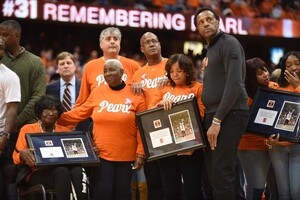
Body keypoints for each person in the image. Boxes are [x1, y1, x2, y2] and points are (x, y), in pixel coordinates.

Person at [57, 59, 146, 200]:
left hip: (126, 155)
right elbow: (80, 112)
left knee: (122, 194)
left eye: (111, 70)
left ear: (122, 73)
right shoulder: (98, 92)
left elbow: (142, 128)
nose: (107, 73)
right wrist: (57, 117)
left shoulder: (135, 94)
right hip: (101, 154)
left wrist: (140, 153)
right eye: (105, 71)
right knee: (101, 192)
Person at [194, 7, 249, 200]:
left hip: (229, 114)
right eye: (201, 22)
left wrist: (217, 120)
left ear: (218, 22)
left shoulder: (229, 43)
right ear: (198, 30)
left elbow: (234, 83)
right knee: (215, 172)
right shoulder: (210, 50)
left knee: (221, 173)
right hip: (214, 114)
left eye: (209, 19)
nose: (205, 23)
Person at [0, 19, 46, 200]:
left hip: (22, 130)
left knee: (12, 176)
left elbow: (38, 97)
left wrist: (14, 124)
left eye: (4, 35)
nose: (0, 39)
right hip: (4, 128)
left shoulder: (35, 62)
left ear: (16, 36)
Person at [148, 53, 205, 200]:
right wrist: (159, 106)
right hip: (168, 147)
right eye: (171, 71)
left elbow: (202, 115)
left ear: (187, 71)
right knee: (170, 191)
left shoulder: (198, 88)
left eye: (178, 71)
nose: (175, 75)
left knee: (193, 190)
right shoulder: (163, 89)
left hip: (191, 146)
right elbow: (149, 114)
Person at [12, 95, 88, 200]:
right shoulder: (27, 129)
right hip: (36, 172)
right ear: (39, 112)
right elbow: (15, 158)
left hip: (63, 169)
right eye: (46, 110)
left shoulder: (65, 131)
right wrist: (22, 154)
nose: (51, 113)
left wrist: (89, 151)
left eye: (55, 110)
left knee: (78, 170)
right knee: (61, 171)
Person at [132, 32, 168, 200]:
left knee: (172, 181)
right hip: (149, 133)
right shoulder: (138, 74)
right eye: (147, 42)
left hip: (171, 128)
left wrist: (171, 80)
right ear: (142, 48)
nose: (152, 44)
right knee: (154, 183)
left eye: (155, 41)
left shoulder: (172, 65)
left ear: (160, 44)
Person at [238, 57, 279, 199]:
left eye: (265, 70)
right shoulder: (243, 96)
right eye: (259, 73)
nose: (266, 75)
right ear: (250, 76)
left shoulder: (275, 87)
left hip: (273, 145)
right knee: (255, 187)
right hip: (250, 145)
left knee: (276, 187)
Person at [74, 27, 141, 108]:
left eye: (116, 39)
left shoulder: (134, 66)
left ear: (119, 43)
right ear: (101, 44)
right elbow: (82, 100)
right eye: (108, 39)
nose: (112, 41)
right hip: (97, 117)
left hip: (126, 115)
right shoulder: (90, 66)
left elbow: (141, 98)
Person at [267, 51, 300, 199]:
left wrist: (298, 86)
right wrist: (268, 140)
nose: (293, 67)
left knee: (296, 192)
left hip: (298, 147)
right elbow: (267, 118)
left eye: (297, 63)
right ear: (283, 68)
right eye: (289, 65)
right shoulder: (277, 88)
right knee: (284, 193)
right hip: (278, 147)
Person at [46, 51, 90, 132]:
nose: (66, 66)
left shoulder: (85, 86)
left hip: (82, 132)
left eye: (69, 63)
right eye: (62, 64)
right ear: (57, 69)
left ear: (75, 67)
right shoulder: (49, 89)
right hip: (57, 132)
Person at [0, 37, 21, 197]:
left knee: (6, 179)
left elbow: (13, 109)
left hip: (1, 135)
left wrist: (5, 135)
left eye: (1, 48)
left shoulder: (9, 76)